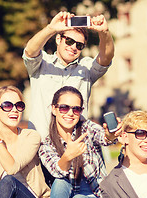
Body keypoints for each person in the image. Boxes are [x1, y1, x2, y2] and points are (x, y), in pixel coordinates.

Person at [39, 86, 120, 198]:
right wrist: (67, 156)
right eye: (64, 108)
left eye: (76, 109)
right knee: (60, 182)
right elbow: (56, 170)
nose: (70, 113)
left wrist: (110, 134)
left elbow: (103, 137)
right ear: (54, 109)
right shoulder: (46, 144)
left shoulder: (86, 128)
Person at [23, 11, 114, 139]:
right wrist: (51, 28)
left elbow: (106, 58)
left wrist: (104, 33)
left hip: (75, 145)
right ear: (58, 39)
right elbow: (30, 51)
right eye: (69, 41)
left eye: (79, 45)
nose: (73, 47)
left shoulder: (86, 68)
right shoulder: (41, 64)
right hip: (40, 143)